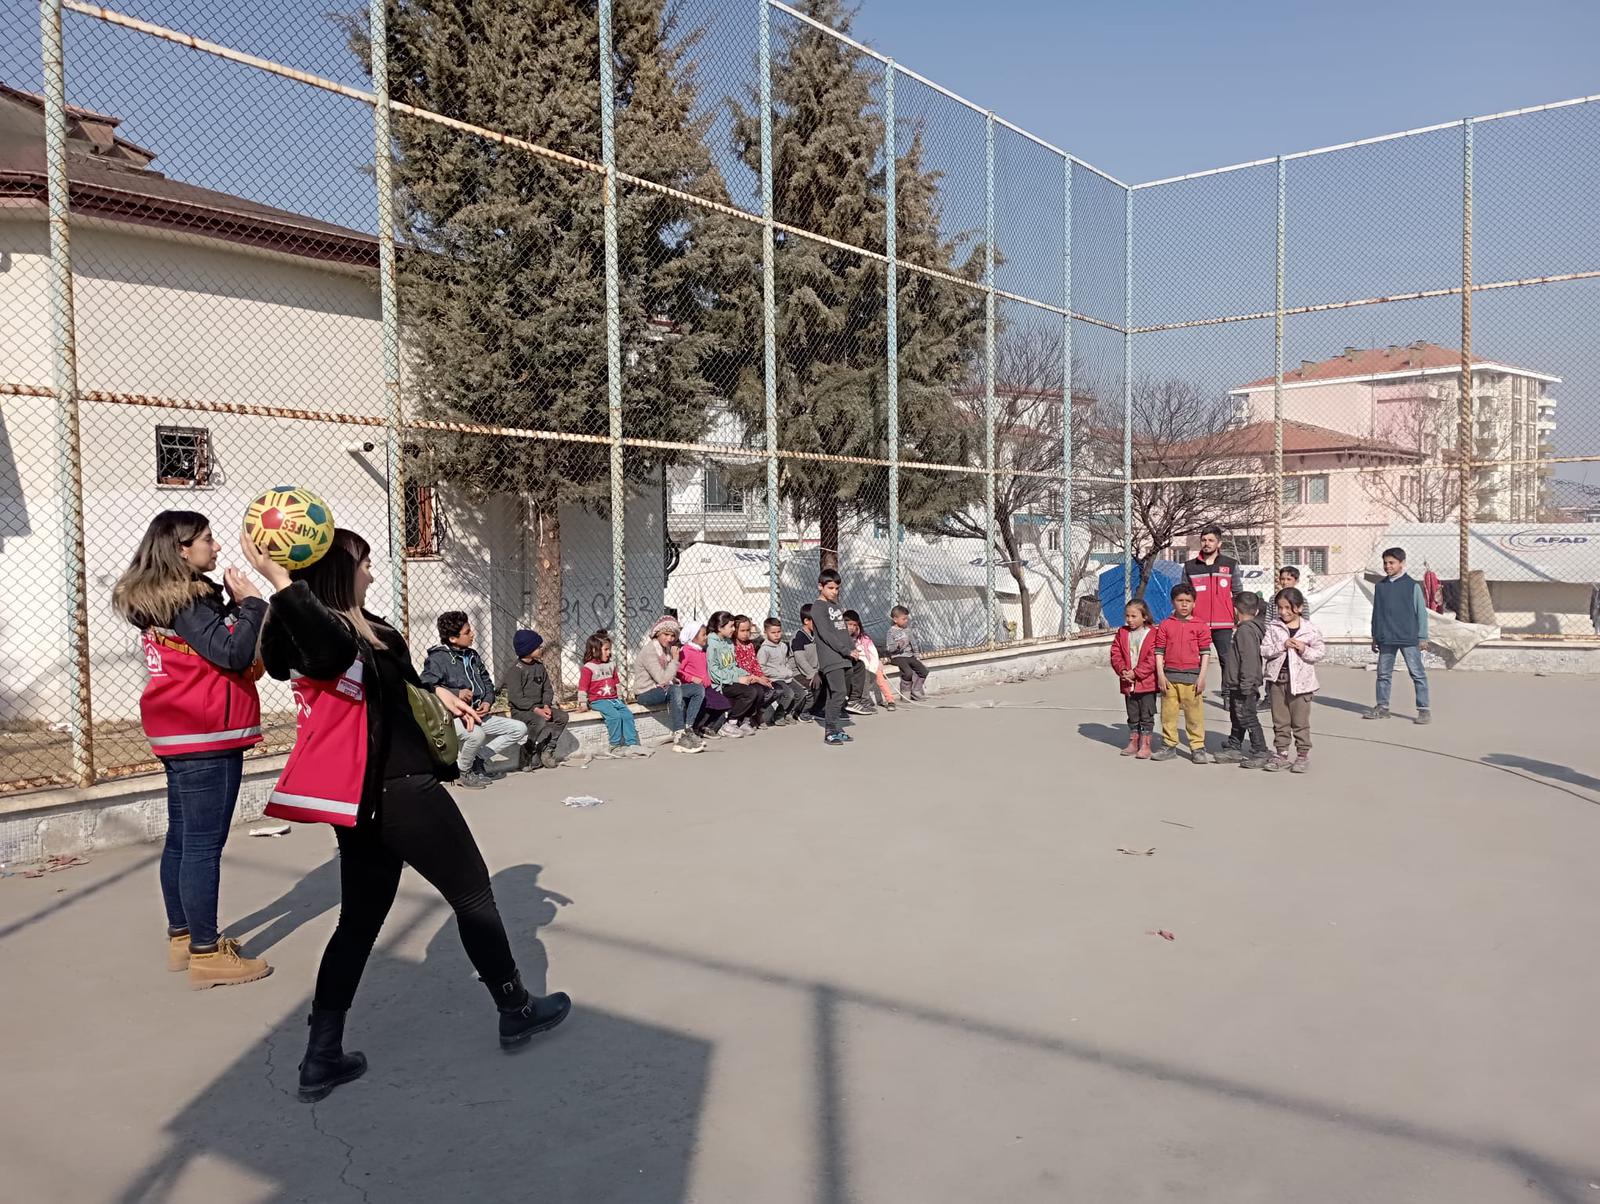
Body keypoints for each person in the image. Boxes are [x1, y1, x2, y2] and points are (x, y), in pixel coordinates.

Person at [248, 528, 570, 1102]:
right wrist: (281, 584)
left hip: (362, 800)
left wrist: (433, 693)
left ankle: (321, 1054)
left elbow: (382, 673)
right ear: (341, 570)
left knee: (358, 922)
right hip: (401, 791)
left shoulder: (358, 630)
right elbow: (322, 653)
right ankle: (516, 1008)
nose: (373, 571)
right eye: (366, 563)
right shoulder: (322, 634)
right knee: (474, 897)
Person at [112, 510, 272, 990]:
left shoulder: (157, 599)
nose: (216, 546)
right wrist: (251, 605)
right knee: (203, 845)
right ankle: (206, 953)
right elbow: (232, 653)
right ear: (182, 548)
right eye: (207, 539)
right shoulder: (190, 600)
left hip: (177, 729)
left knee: (182, 839)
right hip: (207, 733)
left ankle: (183, 936)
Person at [420, 612, 528, 789]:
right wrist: (455, 693)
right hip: (453, 719)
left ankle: (478, 759)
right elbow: (426, 686)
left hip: (478, 714)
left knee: (519, 729)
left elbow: (486, 681)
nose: (472, 634)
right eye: (467, 631)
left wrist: (487, 701)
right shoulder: (437, 659)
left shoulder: (472, 656)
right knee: (477, 735)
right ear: (453, 638)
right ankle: (463, 772)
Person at [1261, 586, 1325, 772]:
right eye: (1280, 608)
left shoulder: (1310, 630)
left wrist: (1304, 649)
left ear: (1298, 608)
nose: (1283, 612)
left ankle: (1302, 755)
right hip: (1277, 681)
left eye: (1288, 608)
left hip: (1302, 685)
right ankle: (1281, 753)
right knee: (1280, 720)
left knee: (1300, 721)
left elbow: (1320, 652)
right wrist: (1281, 646)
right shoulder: (1274, 627)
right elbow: (1264, 650)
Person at [1366, 546, 1432, 726]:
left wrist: (1422, 637)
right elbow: (1377, 613)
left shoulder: (1412, 586)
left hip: (1408, 638)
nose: (1388, 566)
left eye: (1392, 563)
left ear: (1402, 563)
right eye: (1385, 563)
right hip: (1386, 638)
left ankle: (1424, 709)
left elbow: (1422, 613)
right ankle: (1382, 707)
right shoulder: (1381, 587)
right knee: (1383, 674)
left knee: (1417, 674)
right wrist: (1375, 636)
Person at [1152, 582, 1213, 764]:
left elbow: (1205, 653)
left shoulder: (1201, 625)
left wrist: (1201, 678)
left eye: (1188, 600)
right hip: (1169, 679)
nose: (1184, 604)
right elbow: (1159, 652)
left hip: (1192, 679)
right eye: (1180, 600)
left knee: (1194, 716)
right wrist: (1161, 676)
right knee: (1168, 715)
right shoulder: (1165, 625)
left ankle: (1197, 747)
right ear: (1173, 602)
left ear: (1194, 603)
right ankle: (1169, 745)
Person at [632, 616, 704, 752]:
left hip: (663, 688)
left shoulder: (666, 649)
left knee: (697, 689)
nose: (669, 639)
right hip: (646, 692)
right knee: (674, 690)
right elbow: (662, 679)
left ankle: (688, 729)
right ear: (657, 634)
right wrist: (676, 660)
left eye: (672, 635)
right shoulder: (650, 651)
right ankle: (679, 736)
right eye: (666, 634)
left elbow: (668, 676)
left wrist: (675, 678)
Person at [1183, 525, 1239, 696]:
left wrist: (1237, 618)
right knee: (1192, 660)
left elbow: (1237, 593)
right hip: (1197, 623)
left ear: (1219, 543)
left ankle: (1228, 695)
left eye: (1211, 540)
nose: (1207, 543)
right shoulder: (1190, 566)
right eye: (1204, 540)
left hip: (1224, 624)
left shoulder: (1230, 564)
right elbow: (1184, 595)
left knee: (1227, 660)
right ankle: (1189, 692)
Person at [578, 630, 651, 758]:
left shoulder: (611, 665)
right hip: (598, 700)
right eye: (606, 649)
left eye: (609, 649)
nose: (609, 652)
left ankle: (631, 744)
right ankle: (614, 745)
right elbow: (583, 687)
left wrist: (620, 698)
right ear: (595, 650)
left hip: (614, 699)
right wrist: (583, 703)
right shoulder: (588, 668)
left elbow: (616, 683)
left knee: (627, 714)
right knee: (614, 717)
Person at [1217, 592, 1269, 767]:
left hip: (1244, 684)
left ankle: (1260, 750)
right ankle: (1234, 745)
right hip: (1237, 683)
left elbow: (1249, 659)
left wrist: (1246, 684)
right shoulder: (1247, 629)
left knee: (1247, 717)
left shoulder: (1245, 631)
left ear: (1234, 610)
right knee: (1236, 715)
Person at [504, 629, 567, 771]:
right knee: (539, 720)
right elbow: (516, 697)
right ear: (528, 649)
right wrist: (536, 710)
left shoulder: (539, 666)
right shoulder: (516, 670)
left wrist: (546, 705)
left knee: (562, 717)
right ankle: (528, 750)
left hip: (540, 708)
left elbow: (547, 689)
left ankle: (547, 749)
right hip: (522, 711)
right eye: (538, 647)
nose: (541, 648)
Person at [811, 569, 858, 746]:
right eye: (830, 588)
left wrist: (852, 649)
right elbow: (826, 634)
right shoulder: (818, 607)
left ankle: (837, 728)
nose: (834, 591)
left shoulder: (836, 606)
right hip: (831, 657)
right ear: (820, 586)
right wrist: (845, 650)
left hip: (845, 655)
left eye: (837, 588)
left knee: (838, 693)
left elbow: (843, 631)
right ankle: (830, 731)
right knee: (839, 692)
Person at [1109, 598, 1159, 759]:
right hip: (1128, 683)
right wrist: (1123, 670)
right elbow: (1115, 653)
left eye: (1134, 616)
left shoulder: (1153, 634)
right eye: (1127, 616)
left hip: (1147, 683)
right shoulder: (1122, 633)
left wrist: (1136, 673)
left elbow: (1153, 658)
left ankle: (1145, 744)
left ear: (1144, 617)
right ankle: (1133, 740)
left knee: (1146, 714)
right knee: (1133, 713)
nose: (1129, 620)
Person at [706, 610, 764, 736]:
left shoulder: (727, 642)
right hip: (721, 684)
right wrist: (737, 679)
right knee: (749, 692)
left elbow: (733, 665)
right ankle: (730, 724)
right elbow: (714, 672)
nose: (733, 629)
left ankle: (744, 721)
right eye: (731, 626)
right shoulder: (712, 645)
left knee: (758, 690)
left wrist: (748, 676)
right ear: (720, 628)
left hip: (731, 679)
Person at [680, 621, 729, 739]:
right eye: (703, 634)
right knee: (706, 705)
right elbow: (678, 671)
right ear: (693, 636)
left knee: (724, 704)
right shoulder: (686, 651)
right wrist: (691, 678)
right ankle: (697, 728)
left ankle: (708, 727)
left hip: (707, 687)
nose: (706, 637)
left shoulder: (701, 651)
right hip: (696, 687)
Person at [758, 617, 808, 725]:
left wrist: (788, 671)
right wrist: (778, 673)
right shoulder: (764, 649)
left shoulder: (783, 646)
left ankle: (788, 713)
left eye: (779, 632)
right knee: (788, 694)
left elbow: (785, 662)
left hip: (787, 677)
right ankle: (778, 715)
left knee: (801, 692)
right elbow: (761, 667)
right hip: (774, 678)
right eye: (773, 632)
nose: (776, 635)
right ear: (766, 632)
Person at [733, 615, 776, 730]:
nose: (746, 633)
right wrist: (756, 679)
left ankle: (756, 715)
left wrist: (761, 676)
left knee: (773, 689)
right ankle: (745, 719)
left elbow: (754, 663)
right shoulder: (733, 646)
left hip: (754, 677)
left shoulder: (750, 645)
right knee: (758, 691)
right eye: (742, 630)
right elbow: (738, 667)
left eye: (748, 630)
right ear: (734, 630)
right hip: (743, 679)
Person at [846, 610, 896, 710]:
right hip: (858, 667)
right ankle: (865, 702)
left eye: (854, 625)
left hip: (870, 664)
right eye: (849, 624)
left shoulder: (864, 638)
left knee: (880, 678)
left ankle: (890, 700)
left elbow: (873, 652)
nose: (851, 627)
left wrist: (875, 665)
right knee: (864, 680)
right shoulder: (844, 639)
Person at [885, 605, 930, 702]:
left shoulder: (907, 630)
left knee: (924, 670)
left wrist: (917, 655)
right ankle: (905, 693)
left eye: (907, 618)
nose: (906, 621)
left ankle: (916, 690)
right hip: (897, 657)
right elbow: (889, 648)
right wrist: (897, 646)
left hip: (909, 655)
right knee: (908, 672)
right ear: (895, 619)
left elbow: (913, 643)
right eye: (904, 619)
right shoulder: (891, 632)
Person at [792, 605, 822, 723]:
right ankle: (802, 711)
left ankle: (818, 709)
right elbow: (800, 659)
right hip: (798, 672)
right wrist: (812, 674)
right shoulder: (798, 636)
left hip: (814, 671)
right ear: (806, 621)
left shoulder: (816, 636)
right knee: (810, 688)